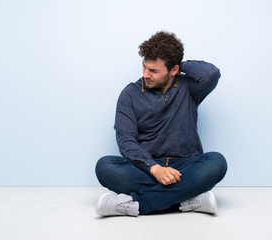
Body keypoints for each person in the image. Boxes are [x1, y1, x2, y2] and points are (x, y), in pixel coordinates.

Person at [95, 31, 227, 217]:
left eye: (154, 70)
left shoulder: (190, 87)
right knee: (105, 167)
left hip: (185, 165)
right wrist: (154, 168)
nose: (146, 74)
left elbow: (211, 73)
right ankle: (186, 200)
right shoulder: (130, 94)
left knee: (216, 162)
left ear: (174, 70)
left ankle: (138, 204)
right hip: (147, 167)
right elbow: (126, 140)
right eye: (144, 67)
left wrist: (178, 62)